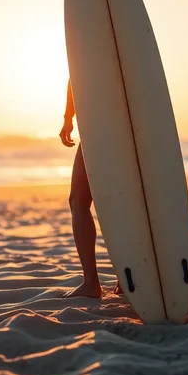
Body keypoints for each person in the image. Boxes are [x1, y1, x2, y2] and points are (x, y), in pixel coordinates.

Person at [59, 78, 121, 298]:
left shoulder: (86, 42)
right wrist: (69, 117)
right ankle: (128, 278)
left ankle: (91, 283)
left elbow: (78, 72)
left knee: (79, 200)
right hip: (130, 122)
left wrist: (69, 118)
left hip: (99, 124)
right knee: (121, 200)